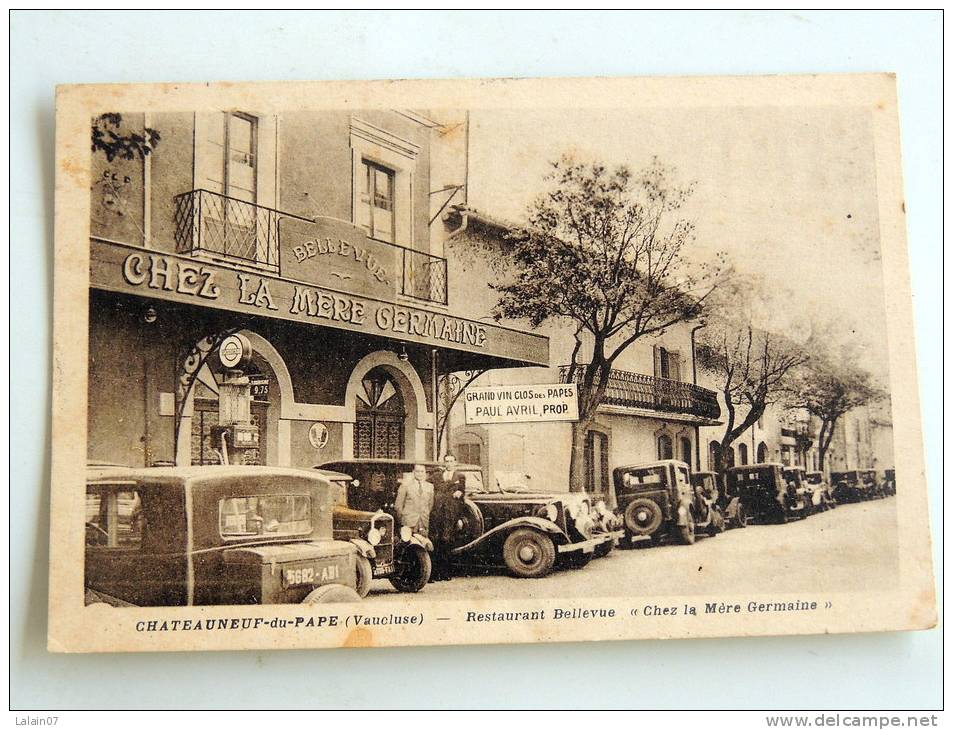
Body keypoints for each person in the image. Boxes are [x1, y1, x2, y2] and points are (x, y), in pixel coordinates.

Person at [430, 454, 467, 581]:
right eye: (447, 461)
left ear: (455, 462)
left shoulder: (460, 477)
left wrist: (460, 517)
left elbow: (462, 497)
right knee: (435, 540)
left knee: (447, 541)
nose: (449, 463)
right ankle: (435, 573)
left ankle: (446, 572)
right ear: (444, 463)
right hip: (437, 513)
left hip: (450, 514)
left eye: (451, 461)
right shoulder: (436, 476)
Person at [394, 464, 435, 537]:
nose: (420, 474)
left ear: (425, 472)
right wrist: (404, 520)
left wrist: (425, 514)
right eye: (417, 471)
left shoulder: (430, 486)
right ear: (413, 472)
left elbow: (430, 505)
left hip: (423, 522)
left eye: (422, 471)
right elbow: (398, 506)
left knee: (423, 545)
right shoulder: (405, 485)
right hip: (408, 522)